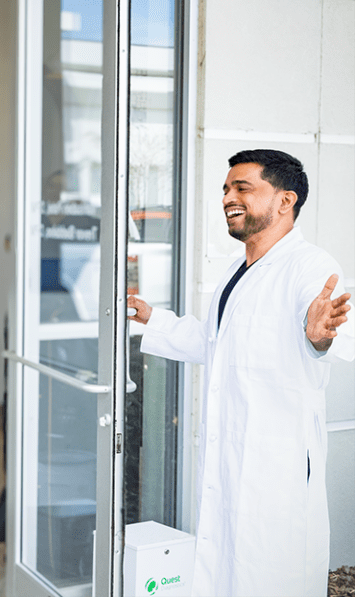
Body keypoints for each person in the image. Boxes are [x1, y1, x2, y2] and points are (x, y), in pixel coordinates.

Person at [128, 149, 354, 597]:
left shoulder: (311, 266)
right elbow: (215, 345)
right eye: (226, 189)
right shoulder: (236, 270)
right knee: (226, 571)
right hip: (228, 458)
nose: (229, 198)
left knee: (269, 575)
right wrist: (153, 318)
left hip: (276, 469)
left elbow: (330, 332)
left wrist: (320, 334)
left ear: (285, 200)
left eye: (243, 188)